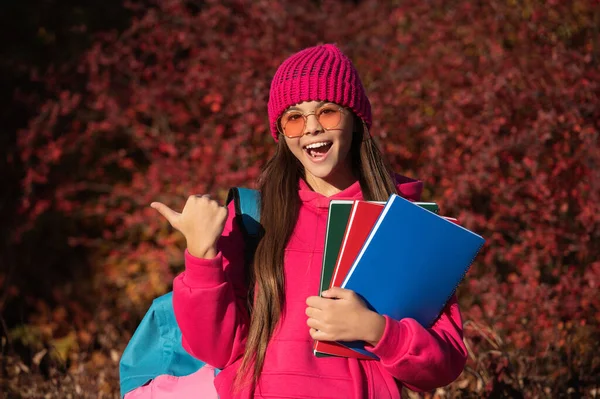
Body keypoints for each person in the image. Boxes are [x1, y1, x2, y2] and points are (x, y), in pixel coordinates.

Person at [150, 44, 468, 399]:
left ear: (355, 119)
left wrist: (377, 330)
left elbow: (446, 362)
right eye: (295, 118)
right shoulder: (254, 220)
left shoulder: (404, 224)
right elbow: (216, 350)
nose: (312, 128)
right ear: (281, 132)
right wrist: (201, 256)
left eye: (328, 112)